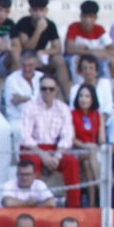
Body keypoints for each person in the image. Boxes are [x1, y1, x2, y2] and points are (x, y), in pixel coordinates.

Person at [20, 75, 81, 208]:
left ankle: (74, 205)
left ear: (56, 90)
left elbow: (67, 135)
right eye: (44, 88)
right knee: (32, 162)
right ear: (39, 89)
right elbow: (26, 136)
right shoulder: (29, 107)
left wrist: (57, 156)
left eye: (51, 89)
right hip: (34, 148)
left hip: (56, 149)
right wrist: (43, 155)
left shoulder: (63, 108)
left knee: (71, 161)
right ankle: (32, 203)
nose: (47, 92)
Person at [15, 0, 69, 96]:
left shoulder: (50, 24)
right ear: (30, 11)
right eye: (35, 10)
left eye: (41, 10)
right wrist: (38, 31)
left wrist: (44, 52)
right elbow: (27, 48)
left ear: (46, 11)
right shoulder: (23, 23)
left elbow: (58, 48)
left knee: (59, 60)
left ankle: (68, 99)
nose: (39, 13)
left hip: (42, 58)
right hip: (26, 59)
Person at [65, 0, 114, 82]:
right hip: (76, 58)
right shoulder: (74, 27)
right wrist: (93, 52)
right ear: (81, 16)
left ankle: (107, 86)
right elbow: (69, 49)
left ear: (95, 18)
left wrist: (91, 51)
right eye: (85, 17)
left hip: (94, 59)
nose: (88, 21)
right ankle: (78, 86)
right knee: (75, 59)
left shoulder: (99, 29)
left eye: (91, 17)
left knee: (111, 61)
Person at [72, 82, 105, 205]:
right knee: (90, 153)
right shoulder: (72, 114)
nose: (83, 99)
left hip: (93, 152)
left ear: (92, 99)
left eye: (87, 96)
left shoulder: (97, 115)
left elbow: (101, 139)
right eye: (81, 96)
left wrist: (99, 147)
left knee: (87, 164)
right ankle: (101, 186)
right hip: (77, 150)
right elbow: (72, 139)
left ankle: (91, 204)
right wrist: (87, 146)